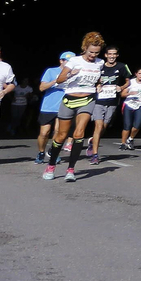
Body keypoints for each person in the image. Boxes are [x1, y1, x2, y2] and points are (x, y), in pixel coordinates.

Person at [44, 34, 105, 182]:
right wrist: (71, 73)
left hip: (88, 99)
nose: (93, 55)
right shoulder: (74, 61)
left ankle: (70, 170)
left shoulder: (100, 63)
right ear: (85, 48)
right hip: (70, 99)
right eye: (91, 52)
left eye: (96, 52)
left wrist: (99, 85)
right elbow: (59, 79)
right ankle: (51, 166)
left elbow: (98, 78)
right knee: (61, 135)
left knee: (79, 133)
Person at [88, 45, 130, 162]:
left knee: (103, 127)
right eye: (110, 54)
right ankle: (95, 155)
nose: (112, 56)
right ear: (106, 55)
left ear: (117, 55)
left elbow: (128, 81)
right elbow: (92, 79)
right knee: (98, 126)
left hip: (112, 101)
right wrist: (97, 86)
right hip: (99, 101)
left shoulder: (122, 66)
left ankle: (93, 141)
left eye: (114, 54)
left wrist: (121, 87)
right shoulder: (99, 66)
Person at [35, 53, 71, 164]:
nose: (69, 63)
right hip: (49, 107)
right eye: (67, 60)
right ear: (61, 61)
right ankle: (41, 152)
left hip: (65, 106)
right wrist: (57, 80)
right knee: (44, 133)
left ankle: (53, 152)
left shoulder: (74, 74)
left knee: (59, 132)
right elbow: (42, 87)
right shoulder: (51, 71)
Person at [119, 68, 141, 151]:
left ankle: (130, 139)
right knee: (127, 125)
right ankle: (123, 143)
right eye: (139, 73)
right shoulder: (131, 82)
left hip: (140, 104)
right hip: (128, 104)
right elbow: (122, 94)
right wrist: (130, 93)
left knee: (137, 125)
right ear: (136, 74)